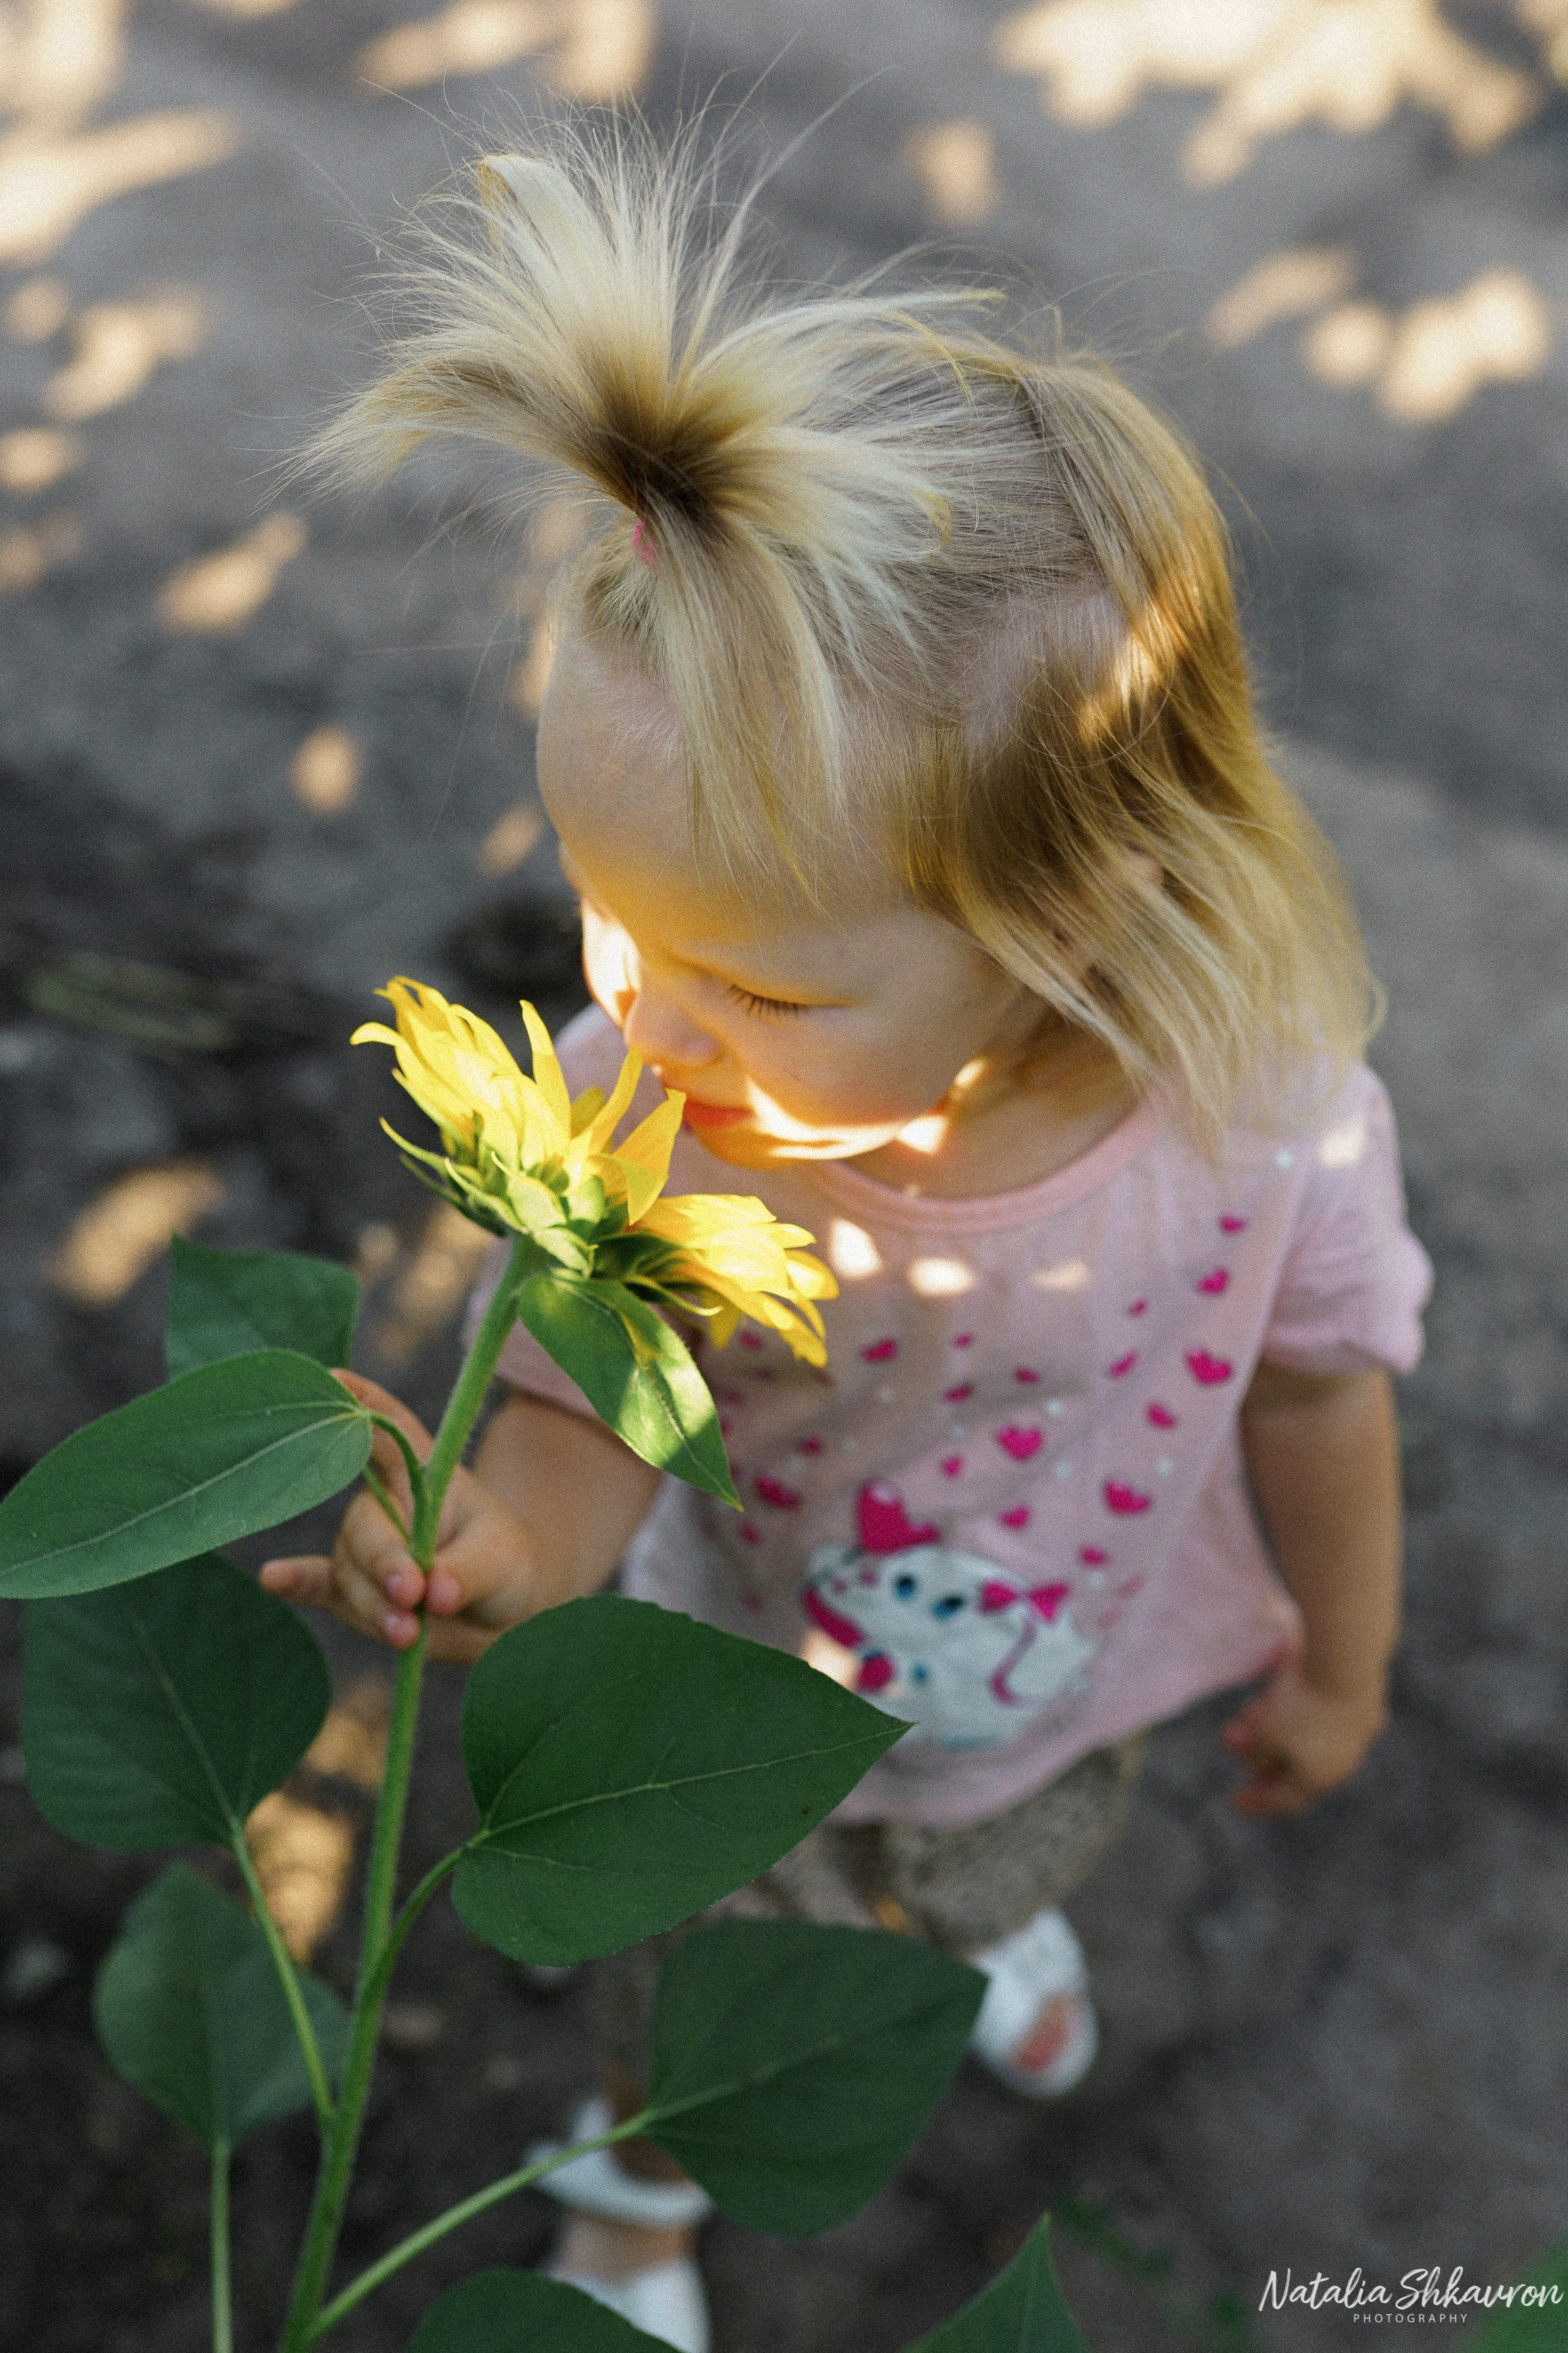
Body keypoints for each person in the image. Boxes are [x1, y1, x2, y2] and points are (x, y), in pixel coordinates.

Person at [262, 124, 1432, 2353]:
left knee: (983, 1884)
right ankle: (629, 2197)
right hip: (721, 1709)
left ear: (1076, 915)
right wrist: (497, 1562)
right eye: (617, 918)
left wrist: (1344, 1658)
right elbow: (582, 1427)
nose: (651, 1025)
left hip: (1060, 1698)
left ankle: (961, 1948)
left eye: (765, 987)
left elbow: (1319, 1395)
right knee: (692, 2001)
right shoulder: (659, 1118)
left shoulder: (1265, 1127)